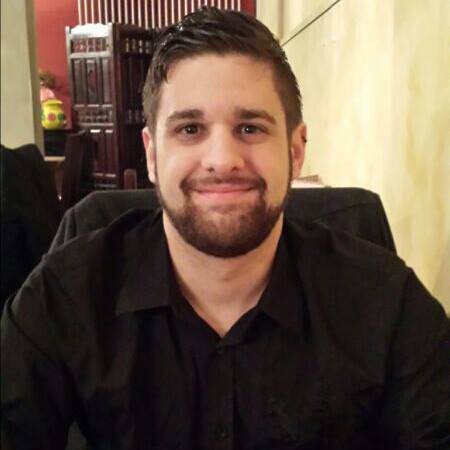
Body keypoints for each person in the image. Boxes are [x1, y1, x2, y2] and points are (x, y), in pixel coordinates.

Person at [1, 8, 449, 450]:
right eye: (190, 129)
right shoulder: (65, 296)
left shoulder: (386, 304)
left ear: (295, 152)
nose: (222, 160)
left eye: (250, 128)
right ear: (152, 155)